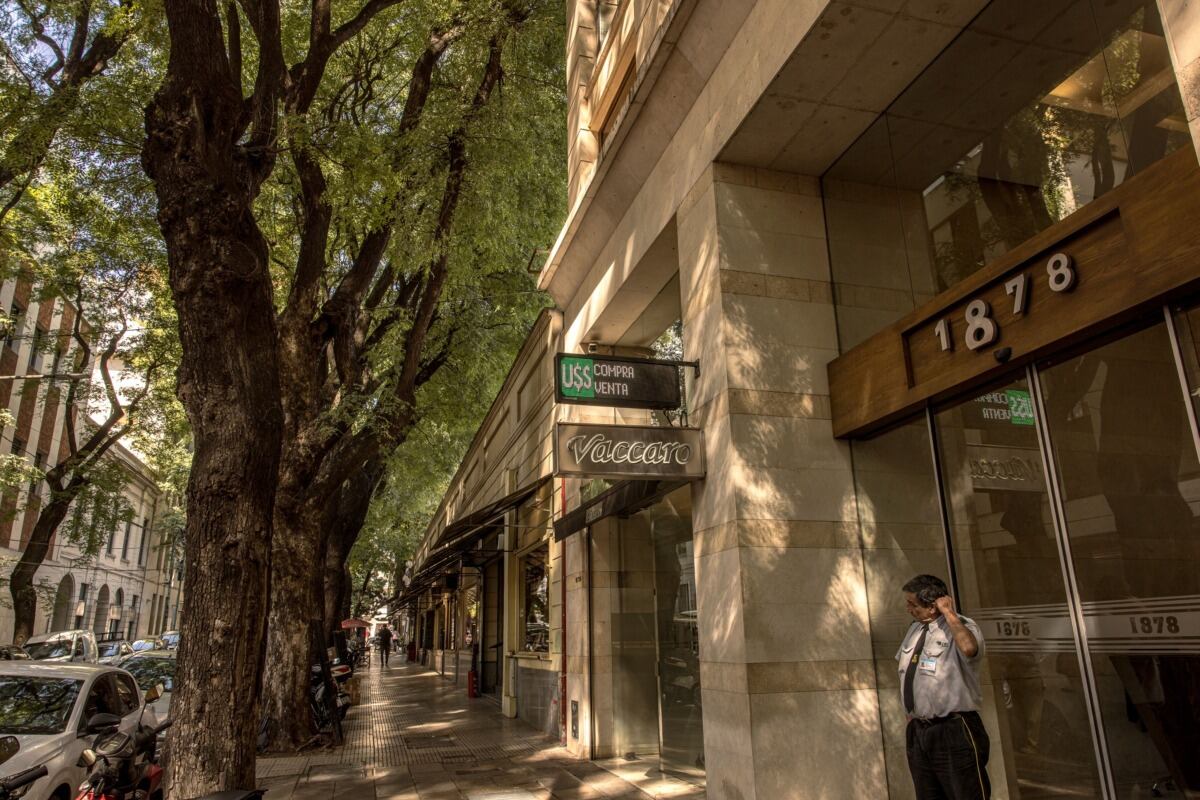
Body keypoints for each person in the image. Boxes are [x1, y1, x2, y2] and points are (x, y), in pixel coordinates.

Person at [898, 574, 990, 799]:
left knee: (965, 794)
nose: (908, 608)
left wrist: (948, 612)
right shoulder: (916, 629)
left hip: (953, 729)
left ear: (932, 607)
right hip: (920, 731)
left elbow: (970, 649)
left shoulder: (961, 627)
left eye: (913, 604)